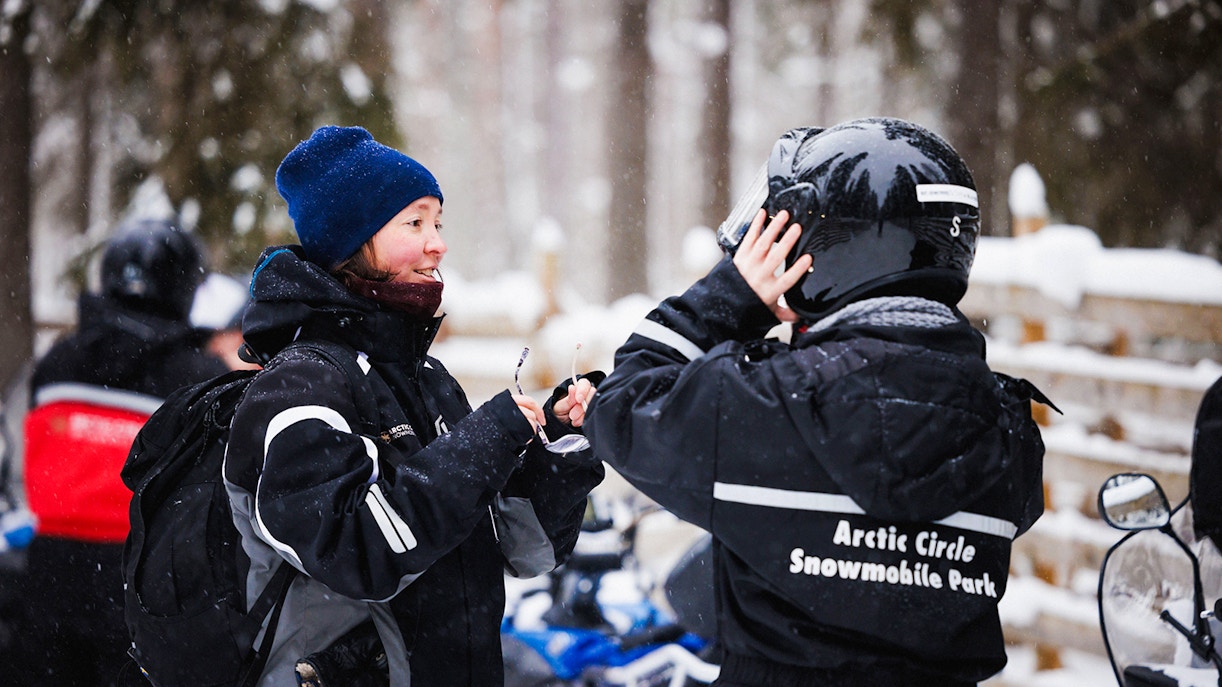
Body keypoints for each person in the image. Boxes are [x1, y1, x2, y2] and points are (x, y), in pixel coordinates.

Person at [585, 117, 1050, 687]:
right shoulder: (1008, 433)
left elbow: (623, 402)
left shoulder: (764, 404)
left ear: (827, 252)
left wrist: (733, 297)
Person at [223, 125, 604, 685]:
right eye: (415, 222)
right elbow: (360, 551)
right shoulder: (298, 387)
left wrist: (550, 442)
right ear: (355, 242)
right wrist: (483, 444)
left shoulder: (426, 378)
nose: (438, 242)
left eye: (438, 222)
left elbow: (527, 552)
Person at [4, 219, 228, 685]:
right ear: (184, 287)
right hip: (141, 577)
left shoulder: (58, 359)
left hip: (48, 569)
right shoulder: (197, 374)